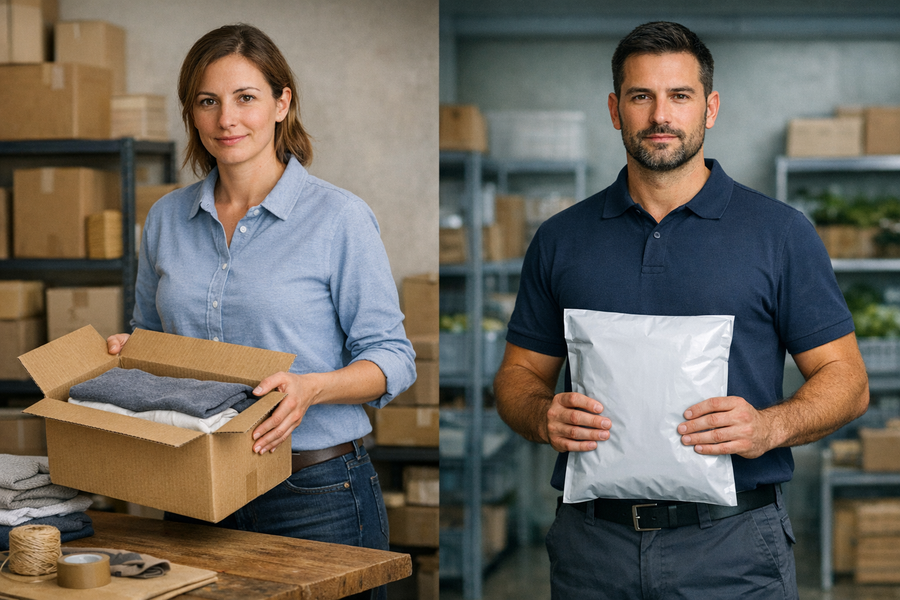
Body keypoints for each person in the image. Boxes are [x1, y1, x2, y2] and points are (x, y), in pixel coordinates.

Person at [493, 21, 869, 600]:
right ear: (616, 110)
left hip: (735, 549)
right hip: (592, 550)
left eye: (680, 96)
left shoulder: (780, 233)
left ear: (709, 108)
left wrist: (769, 426)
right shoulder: (560, 239)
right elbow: (517, 379)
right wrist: (543, 414)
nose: (659, 115)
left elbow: (847, 381)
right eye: (641, 96)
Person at [106, 23, 415, 600]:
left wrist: (310, 389)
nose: (227, 119)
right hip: (194, 489)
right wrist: (134, 357)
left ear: (281, 103)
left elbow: (393, 359)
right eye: (208, 101)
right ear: (192, 114)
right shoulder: (166, 220)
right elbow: (148, 337)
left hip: (316, 494)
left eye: (246, 98)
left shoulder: (338, 218)